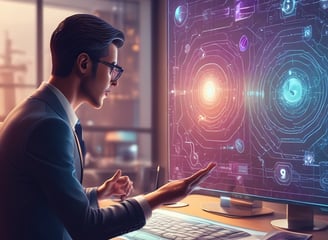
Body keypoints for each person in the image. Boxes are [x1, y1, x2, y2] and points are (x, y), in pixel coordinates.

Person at [0, 13, 216, 240]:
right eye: (112, 68)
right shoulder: (48, 126)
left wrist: (100, 194)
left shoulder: (38, 111)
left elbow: (50, 194)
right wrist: (159, 197)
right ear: (84, 64)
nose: (114, 80)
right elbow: (87, 227)